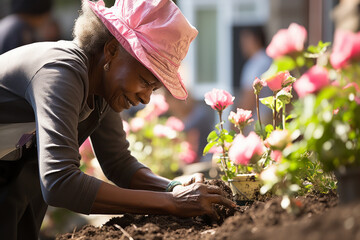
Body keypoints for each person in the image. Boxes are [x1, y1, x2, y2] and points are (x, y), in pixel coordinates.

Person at [0, 0, 235, 239]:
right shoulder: (61, 72)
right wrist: (170, 203)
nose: (145, 98)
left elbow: (118, 163)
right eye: (144, 81)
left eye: (153, 89)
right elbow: (60, 182)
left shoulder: (102, 87)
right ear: (111, 50)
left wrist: (174, 188)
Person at [236, 26, 273, 132]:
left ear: (254, 39)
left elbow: (250, 96)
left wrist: (236, 124)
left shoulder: (258, 62)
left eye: (245, 40)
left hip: (259, 123)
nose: (242, 45)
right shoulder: (266, 60)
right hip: (265, 120)